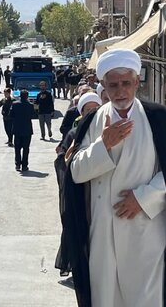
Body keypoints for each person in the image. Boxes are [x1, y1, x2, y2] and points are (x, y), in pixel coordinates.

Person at [65, 49, 166, 307]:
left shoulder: (158, 118)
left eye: (126, 83)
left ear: (137, 82)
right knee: (106, 298)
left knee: (145, 299)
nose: (120, 91)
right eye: (113, 85)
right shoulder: (92, 121)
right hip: (102, 234)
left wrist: (143, 199)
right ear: (103, 85)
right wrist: (103, 146)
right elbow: (76, 173)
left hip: (146, 232)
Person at [54, 92, 102, 277]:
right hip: (80, 192)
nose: (92, 112)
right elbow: (62, 157)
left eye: (95, 108)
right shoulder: (74, 133)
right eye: (87, 109)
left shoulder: (106, 131)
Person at [10, 89, 34, 172]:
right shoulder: (30, 105)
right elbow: (33, 115)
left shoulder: (14, 104)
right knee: (26, 148)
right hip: (27, 129)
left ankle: (17, 164)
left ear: (20, 95)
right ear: (27, 96)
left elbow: (11, 115)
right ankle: (24, 165)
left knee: (17, 148)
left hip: (17, 129)